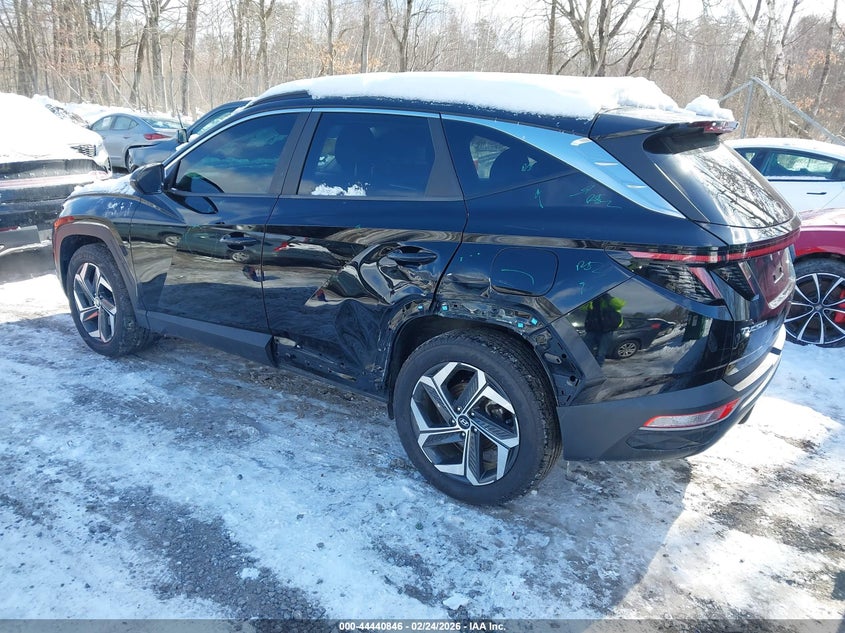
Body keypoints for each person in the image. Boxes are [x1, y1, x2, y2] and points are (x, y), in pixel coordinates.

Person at [583, 293, 624, 366]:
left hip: (606, 331)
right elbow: (582, 308)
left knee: (601, 352)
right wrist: (588, 299)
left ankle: (596, 369)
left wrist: (607, 297)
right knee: (584, 349)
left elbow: (620, 305)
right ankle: (583, 365)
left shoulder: (609, 300)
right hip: (592, 330)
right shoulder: (592, 300)